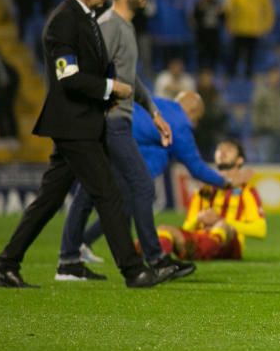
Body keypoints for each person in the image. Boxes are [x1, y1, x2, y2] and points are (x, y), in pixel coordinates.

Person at [0, 0, 166, 289]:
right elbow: (68, 77)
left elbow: (89, 71)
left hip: (85, 122)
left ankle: (5, 265)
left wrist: (111, 90)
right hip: (74, 125)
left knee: (50, 200)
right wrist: (111, 87)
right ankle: (134, 270)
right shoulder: (64, 22)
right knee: (110, 194)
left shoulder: (86, 17)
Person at [57, 0, 192, 282]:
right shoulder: (107, 26)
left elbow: (130, 78)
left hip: (120, 119)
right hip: (111, 121)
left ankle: (68, 260)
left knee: (94, 192)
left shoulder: (125, 27)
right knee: (142, 186)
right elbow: (87, 74)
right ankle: (155, 258)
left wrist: (154, 112)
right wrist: (98, 108)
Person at [73, 92, 251, 257]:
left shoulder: (157, 105)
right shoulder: (180, 125)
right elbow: (196, 168)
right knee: (120, 207)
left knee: (109, 203)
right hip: (116, 148)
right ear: (192, 110)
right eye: (198, 118)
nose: (195, 124)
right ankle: (87, 245)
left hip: (99, 135)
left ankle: (114, 254)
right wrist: (226, 183)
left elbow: (149, 149)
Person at [156, 139, 266, 261]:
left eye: (229, 149)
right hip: (199, 239)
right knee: (165, 229)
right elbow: (187, 227)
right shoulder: (203, 190)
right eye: (219, 149)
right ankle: (158, 262)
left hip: (230, 244)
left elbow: (260, 230)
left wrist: (223, 222)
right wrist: (198, 219)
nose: (223, 152)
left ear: (240, 160)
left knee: (222, 226)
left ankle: (198, 253)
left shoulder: (246, 191)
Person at [224, 0, 275, 77]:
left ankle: (248, 76)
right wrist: (229, 23)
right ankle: (231, 74)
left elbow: (268, 9)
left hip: (254, 29)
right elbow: (229, 7)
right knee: (235, 53)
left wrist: (266, 26)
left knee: (251, 56)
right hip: (238, 28)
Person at [252, 65, 280, 162]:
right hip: (267, 133)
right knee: (267, 162)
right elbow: (256, 112)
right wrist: (258, 129)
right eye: (274, 75)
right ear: (269, 76)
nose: (277, 78)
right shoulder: (262, 92)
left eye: (279, 75)